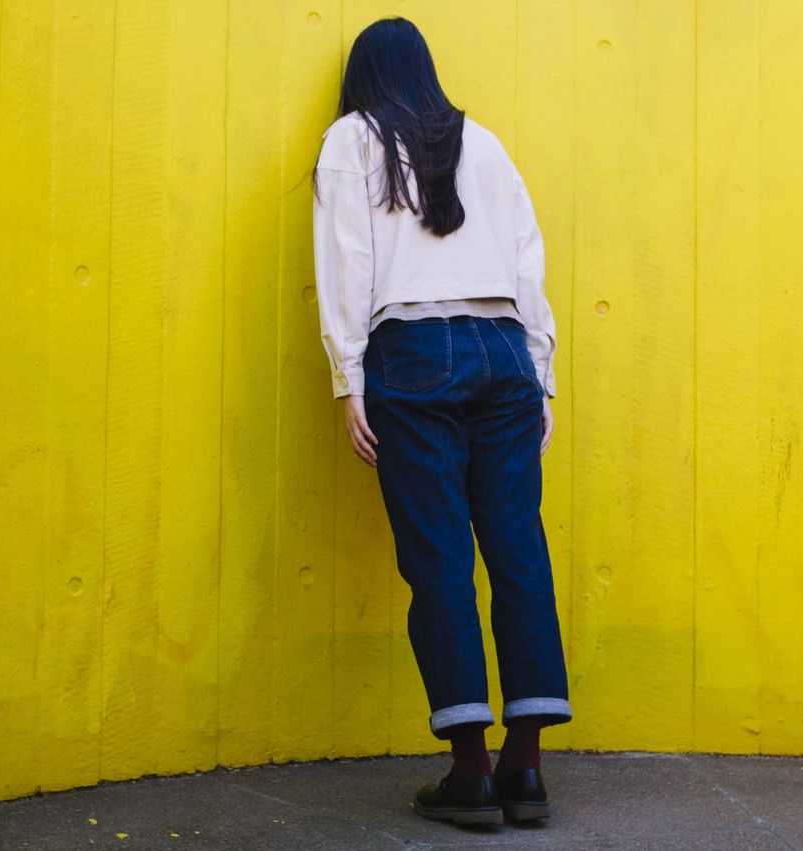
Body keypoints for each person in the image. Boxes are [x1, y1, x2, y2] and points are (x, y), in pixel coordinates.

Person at [311, 17, 572, 826]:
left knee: (439, 559)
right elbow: (528, 257)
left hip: (413, 350)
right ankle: (524, 766)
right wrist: (543, 375)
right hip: (501, 350)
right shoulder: (485, 142)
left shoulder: (352, 139)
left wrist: (348, 377)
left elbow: (347, 255)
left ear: (362, 77)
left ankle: (470, 772)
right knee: (517, 544)